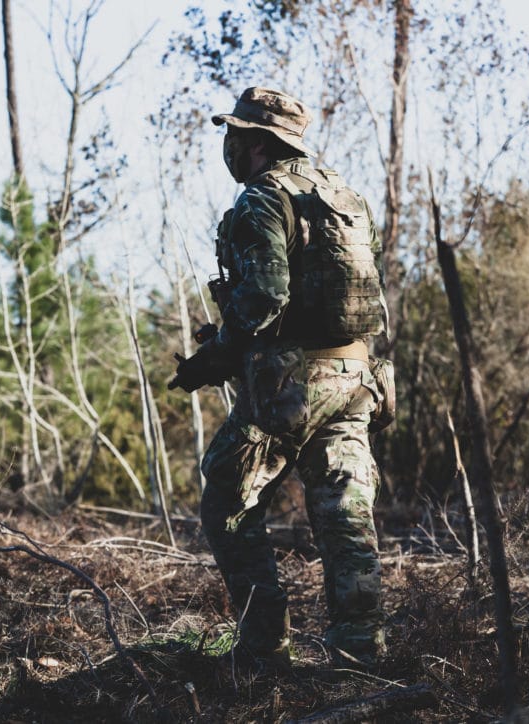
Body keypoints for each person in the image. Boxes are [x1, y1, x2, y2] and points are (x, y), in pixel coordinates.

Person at [168, 87, 393, 668]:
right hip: (356, 374)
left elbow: (266, 298)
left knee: (227, 495)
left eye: (234, 136)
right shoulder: (345, 197)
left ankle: (265, 646)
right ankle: (361, 651)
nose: (228, 147)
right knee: (345, 511)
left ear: (255, 142)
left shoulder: (262, 199)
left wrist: (217, 353)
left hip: (289, 384)